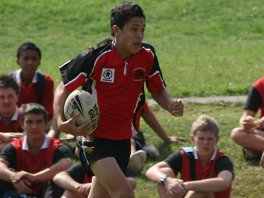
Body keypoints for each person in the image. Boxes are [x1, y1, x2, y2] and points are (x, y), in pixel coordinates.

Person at [53, 2, 183, 198]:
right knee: (124, 194)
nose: (140, 35)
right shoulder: (95, 58)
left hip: (123, 140)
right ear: (117, 30)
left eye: (142, 29)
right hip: (92, 139)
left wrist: (170, 104)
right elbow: (62, 89)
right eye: (134, 29)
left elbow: (157, 91)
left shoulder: (147, 56)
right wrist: (61, 123)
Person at [0, 103, 72, 198]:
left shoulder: (56, 146)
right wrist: (13, 177)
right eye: (29, 122)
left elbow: (67, 164)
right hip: (19, 191)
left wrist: (34, 177)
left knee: (57, 179)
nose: (34, 126)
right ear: (22, 125)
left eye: (39, 122)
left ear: (46, 125)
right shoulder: (15, 146)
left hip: (45, 192)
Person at [145, 115, 234, 198]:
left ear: (217, 140)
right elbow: (151, 170)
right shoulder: (185, 155)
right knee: (165, 172)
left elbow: (224, 182)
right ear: (193, 139)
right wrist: (167, 180)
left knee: (202, 190)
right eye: (201, 138)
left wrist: (187, 185)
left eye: (209, 139)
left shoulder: (222, 160)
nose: (205, 143)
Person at [10, 42, 58, 138]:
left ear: (39, 61)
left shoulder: (46, 82)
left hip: (37, 126)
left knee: (57, 121)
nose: (30, 62)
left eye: (34, 59)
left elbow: (48, 114)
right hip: (12, 127)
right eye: (26, 58)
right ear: (18, 61)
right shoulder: (9, 81)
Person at [230, 52, 264, 160]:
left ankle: (256, 151)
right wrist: (246, 122)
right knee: (237, 133)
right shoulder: (260, 86)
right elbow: (247, 115)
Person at [53, 162, 137, 198]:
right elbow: (58, 176)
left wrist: (94, 187)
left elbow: (132, 182)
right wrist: (78, 187)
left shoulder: (117, 165)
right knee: (71, 191)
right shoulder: (86, 165)